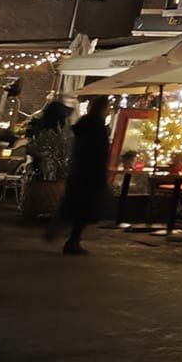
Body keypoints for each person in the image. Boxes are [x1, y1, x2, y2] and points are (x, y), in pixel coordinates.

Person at [57, 97, 111, 255]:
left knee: (76, 205)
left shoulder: (83, 125)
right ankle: (72, 240)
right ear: (103, 109)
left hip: (79, 170)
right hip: (91, 172)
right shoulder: (97, 128)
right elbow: (99, 153)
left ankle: (64, 233)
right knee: (85, 208)